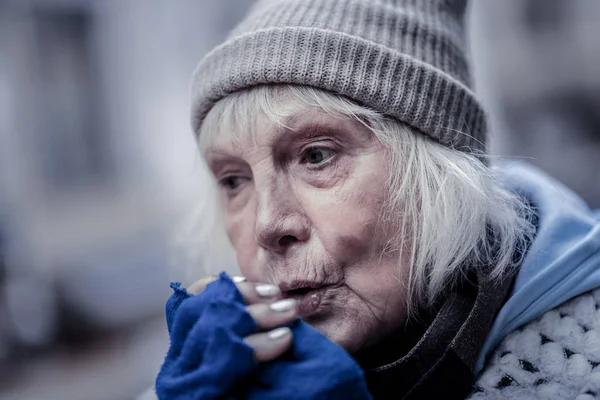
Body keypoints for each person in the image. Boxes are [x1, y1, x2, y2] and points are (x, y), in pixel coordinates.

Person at [153, 0, 600, 399]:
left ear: (440, 177)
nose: (266, 226)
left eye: (316, 155)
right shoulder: (211, 384)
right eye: (234, 181)